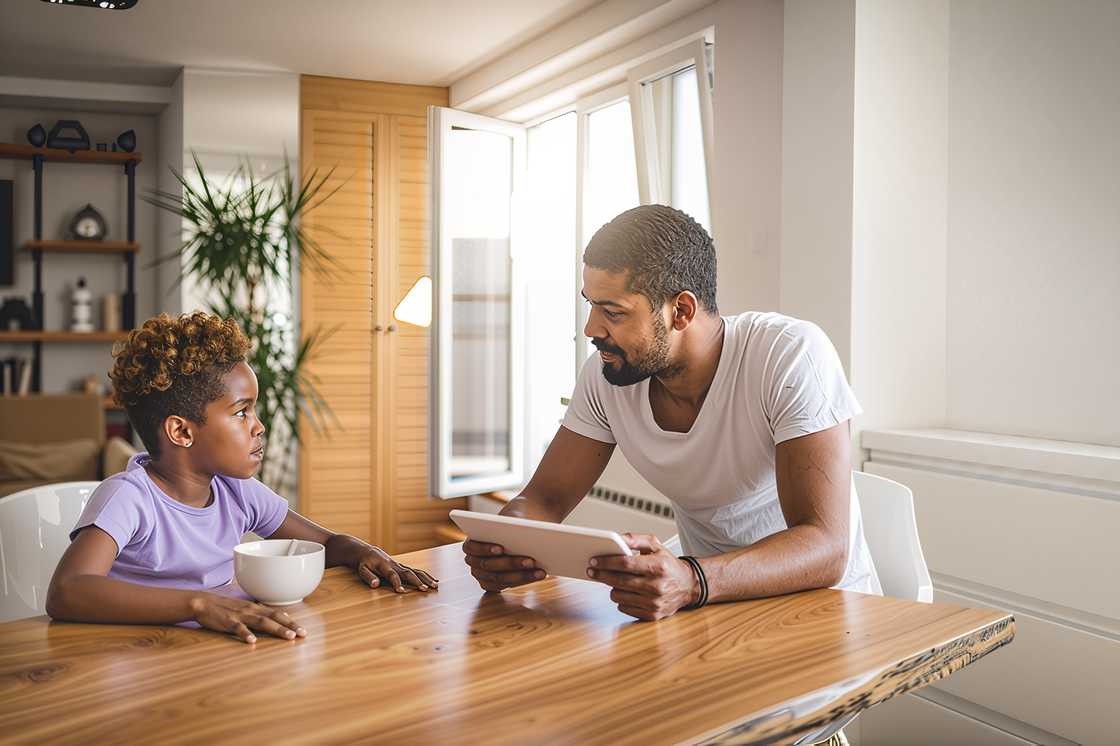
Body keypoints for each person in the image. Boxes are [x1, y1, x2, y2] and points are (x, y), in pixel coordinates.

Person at [463, 204, 881, 623]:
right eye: (590, 305)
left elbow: (825, 546)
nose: (591, 328)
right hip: (705, 606)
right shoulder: (608, 374)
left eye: (613, 312)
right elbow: (545, 498)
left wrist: (692, 579)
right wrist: (507, 542)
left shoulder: (789, 355)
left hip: (825, 610)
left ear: (681, 311)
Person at [47, 311, 437, 644]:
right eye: (241, 412)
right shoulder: (129, 498)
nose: (259, 426)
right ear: (181, 432)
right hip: (136, 654)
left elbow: (327, 543)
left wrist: (368, 553)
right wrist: (197, 604)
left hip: (216, 647)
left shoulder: (236, 491)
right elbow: (68, 590)